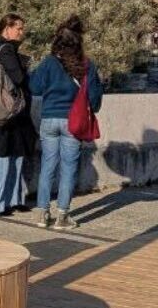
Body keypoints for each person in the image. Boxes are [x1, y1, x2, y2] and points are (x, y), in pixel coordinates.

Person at [29, 15, 103, 230]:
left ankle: (42, 214)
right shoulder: (87, 65)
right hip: (72, 122)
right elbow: (95, 98)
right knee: (68, 168)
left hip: (49, 119)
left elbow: (34, 87)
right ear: (79, 42)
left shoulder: (49, 62)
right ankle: (62, 216)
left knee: (48, 166)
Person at [0, 14, 37, 216]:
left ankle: (13, 200)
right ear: (7, 28)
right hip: (6, 114)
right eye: (18, 28)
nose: (22, 32)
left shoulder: (1, 50)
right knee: (2, 156)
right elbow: (19, 78)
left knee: (16, 155)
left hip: (11, 114)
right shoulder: (5, 51)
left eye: (22, 28)